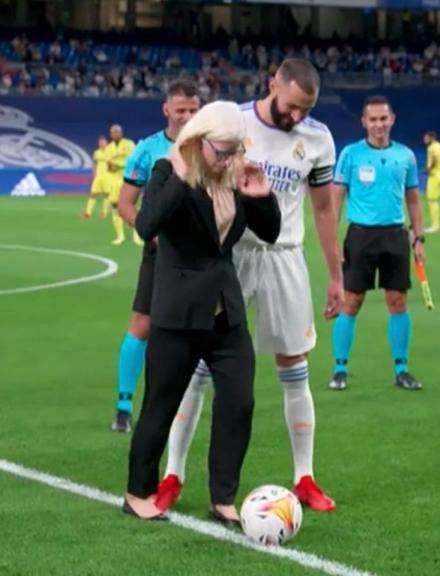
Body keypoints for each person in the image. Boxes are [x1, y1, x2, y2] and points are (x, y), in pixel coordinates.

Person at [156, 59, 342, 513]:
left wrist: (336, 275)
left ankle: (305, 477)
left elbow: (322, 210)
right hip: (231, 258)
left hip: (284, 257)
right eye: (292, 105)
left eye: (305, 109)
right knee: (200, 365)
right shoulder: (232, 122)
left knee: (293, 365)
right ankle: (173, 475)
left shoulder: (318, 140)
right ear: (272, 84)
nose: (297, 116)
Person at [125, 100, 281, 523]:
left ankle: (223, 497)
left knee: (239, 401)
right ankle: (138, 492)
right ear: (197, 143)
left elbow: (270, 232)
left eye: (235, 150)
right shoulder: (166, 171)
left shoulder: (234, 175)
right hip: (178, 312)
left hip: (225, 313)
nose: (229, 159)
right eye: (220, 151)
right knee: (160, 404)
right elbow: (145, 226)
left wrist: (262, 194)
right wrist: (177, 174)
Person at [110, 80, 200, 433]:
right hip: (161, 254)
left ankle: (192, 405)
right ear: (167, 110)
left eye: (193, 110)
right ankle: (123, 404)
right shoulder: (148, 150)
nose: (188, 116)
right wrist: (150, 230)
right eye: (181, 110)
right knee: (143, 324)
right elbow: (125, 203)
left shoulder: (211, 147)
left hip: (203, 255)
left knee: (205, 329)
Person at [329, 95, 426, 392]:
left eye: (383, 118)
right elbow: (336, 197)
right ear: (364, 122)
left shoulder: (406, 156)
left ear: (392, 119)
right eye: (373, 119)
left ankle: (402, 369)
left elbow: (412, 199)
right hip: (360, 235)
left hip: (395, 235)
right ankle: (340, 369)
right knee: (351, 302)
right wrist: (331, 241)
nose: (379, 124)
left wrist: (418, 237)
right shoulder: (351, 154)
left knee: (397, 301)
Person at [104, 125, 136, 245]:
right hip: (114, 180)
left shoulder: (129, 144)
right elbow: (109, 165)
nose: (115, 134)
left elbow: (132, 159)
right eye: (113, 132)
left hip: (128, 178)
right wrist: (115, 164)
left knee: (131, 205)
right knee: (115, 206)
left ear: (121, 132)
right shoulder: (108, 148)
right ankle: (120, 236)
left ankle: (137, 235)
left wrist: (118, 163)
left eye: (117, 132)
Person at [83, 136, 110, 220]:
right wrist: (94, 173)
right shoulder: (96, 153)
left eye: (103, 142)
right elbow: (94, 164)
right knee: (93, 194)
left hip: (107, 177)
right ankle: (88, 213)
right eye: (100, 142)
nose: (101, 144)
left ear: (106, 143)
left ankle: (104, 213)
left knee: (107, 195)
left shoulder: (110, 152)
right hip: (98, 176)